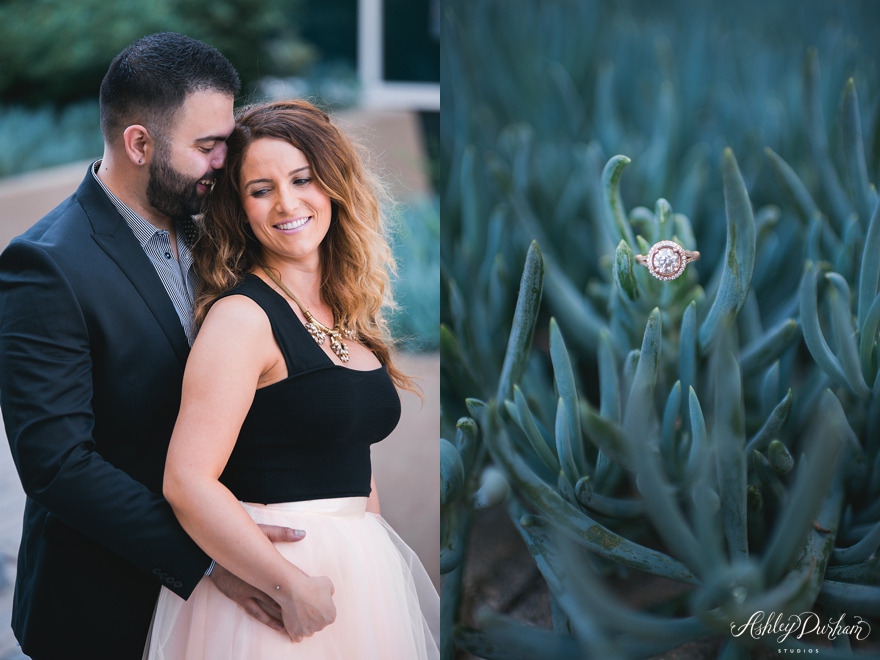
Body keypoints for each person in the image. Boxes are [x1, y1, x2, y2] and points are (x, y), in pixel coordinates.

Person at [0, 33, 301, 659]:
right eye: (208, 146)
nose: (226, 161)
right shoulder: (44, 266)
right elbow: (56, 465)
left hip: (234, 603)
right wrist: (211, 559)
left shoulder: (219, 230)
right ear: (139, 144)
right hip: (106, 605)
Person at [143, 99, 440, 659]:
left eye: (302, 179)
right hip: (272, 587)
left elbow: (350, 453)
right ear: (241, 208)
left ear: (333, 185)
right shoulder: (242, 318)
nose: (287, 203)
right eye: (261, 189)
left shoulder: (346, 311)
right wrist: (287, 583)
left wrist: (372, 570)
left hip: (356, 576)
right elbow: (187, 481)